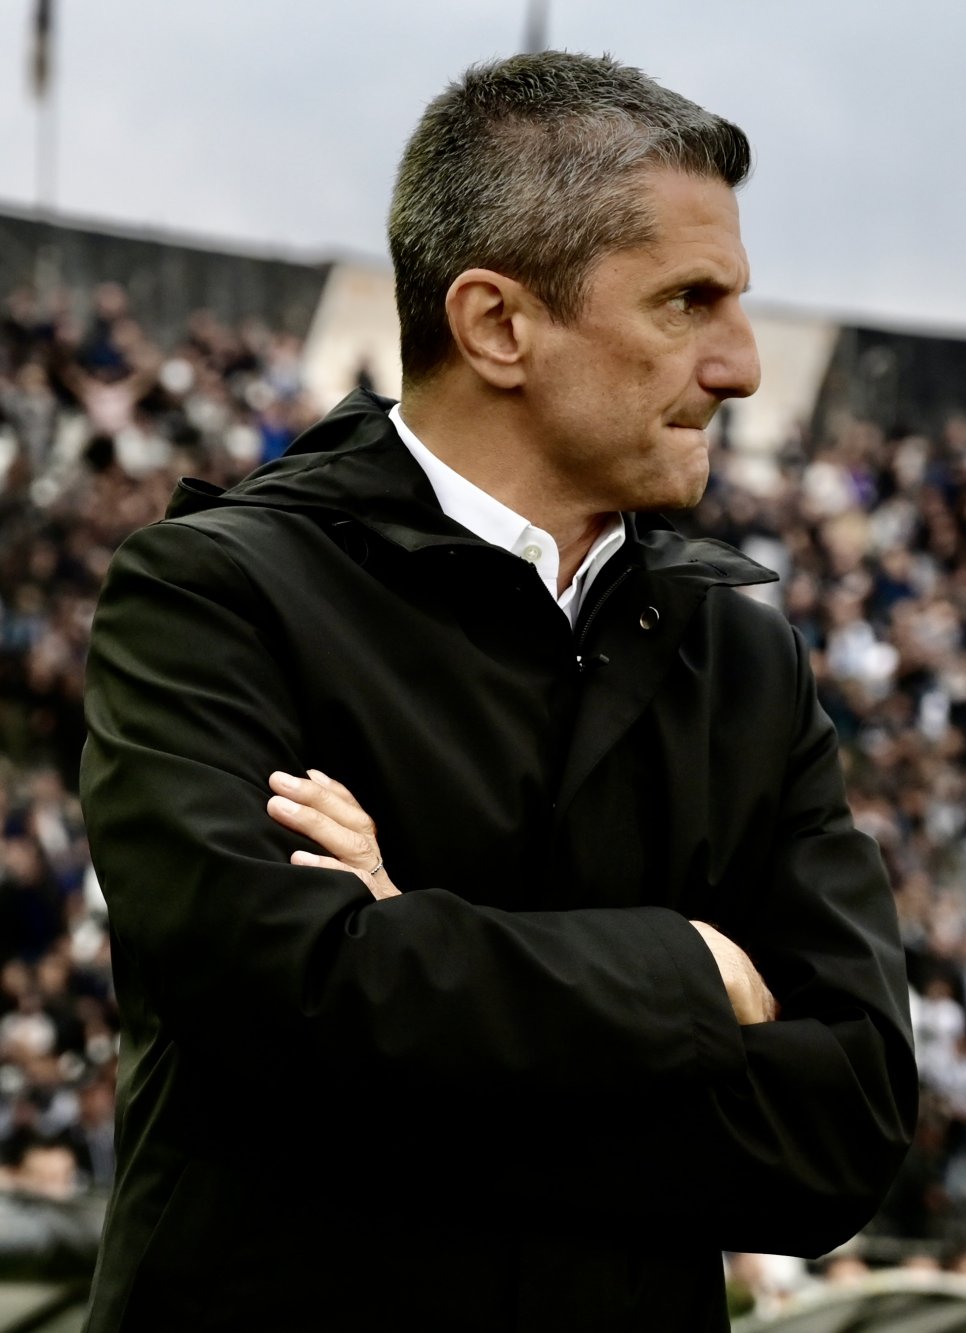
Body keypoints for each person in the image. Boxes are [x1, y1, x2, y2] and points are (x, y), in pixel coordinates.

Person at [78, 52, 916, 1331]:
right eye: (687, 303)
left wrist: (404, 972)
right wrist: (681, 974)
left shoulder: (744, 661)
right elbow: (278, 1004)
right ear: (497, 326)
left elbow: (846, 1126)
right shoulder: (216, 594)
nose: (740, 366)